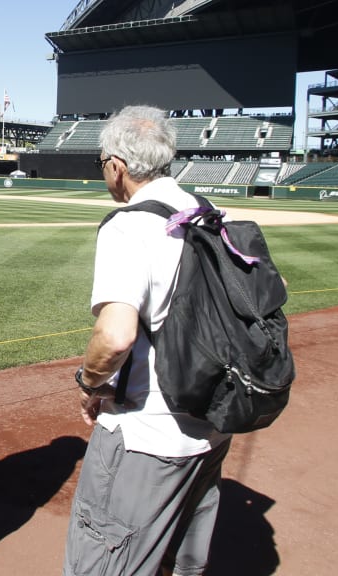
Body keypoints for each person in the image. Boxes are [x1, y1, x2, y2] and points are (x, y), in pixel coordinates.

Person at [64, 105, 231, 576]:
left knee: (102, 556)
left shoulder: (130, 224)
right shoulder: (212, 214)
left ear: (116, 165)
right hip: (212, 420)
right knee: (183, 559)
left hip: (147, 430)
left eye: (102, 164)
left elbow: (115, 337)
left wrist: (90, 381)